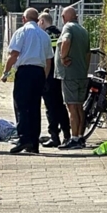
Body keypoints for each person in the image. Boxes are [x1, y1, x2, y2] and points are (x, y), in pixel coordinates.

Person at [1, 8, 53, 154]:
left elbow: (14, 54)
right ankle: (34, 143)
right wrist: (45, 77)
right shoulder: (44, 35)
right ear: (37, 20)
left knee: (21, 106)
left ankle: (24, 139)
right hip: (39, 73)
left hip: (25, 72)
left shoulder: (21, 32)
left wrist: (6, 72)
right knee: (35, 107)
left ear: (24, 19)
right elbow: (49, 60)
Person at [56, 6, 92, 149]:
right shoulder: (83, 30)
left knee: (71, 107)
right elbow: (88, 53)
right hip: (81, 74)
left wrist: (62, 57)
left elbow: (66, 40)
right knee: (79, 107)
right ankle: (81, 137)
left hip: (70, 74)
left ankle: (74, 138)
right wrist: (84, 68)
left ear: (65, 18)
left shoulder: (68, 27)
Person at [38, 12, 71, 148]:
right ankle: (67, 134)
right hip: (61, 75)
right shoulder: (60, 33)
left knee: (50, 107)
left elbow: (45, 57)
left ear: (41, 21)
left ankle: (54, 136)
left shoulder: (44, 35)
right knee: (61, 106)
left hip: (48, 75)